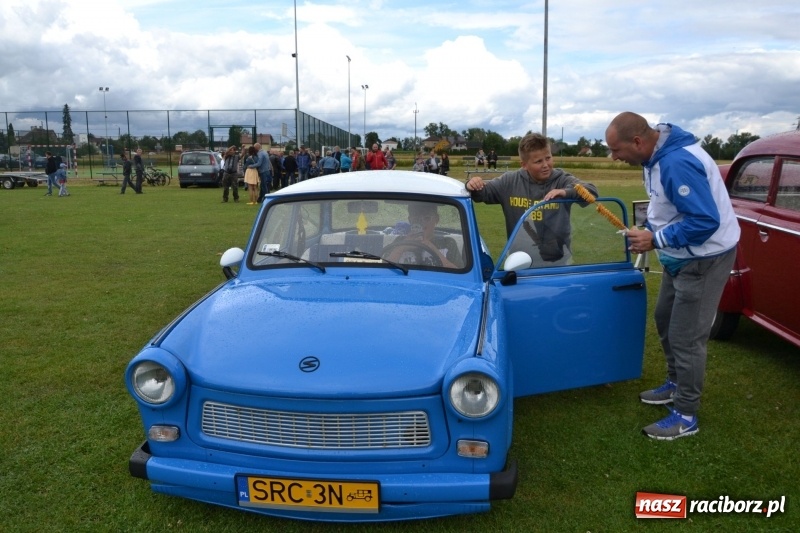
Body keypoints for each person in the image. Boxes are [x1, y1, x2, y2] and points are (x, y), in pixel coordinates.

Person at [605, 112, 740, 441]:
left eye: (616, 150)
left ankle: (686, 414)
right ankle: (675, 383)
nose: (613, 157)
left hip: (704, 258)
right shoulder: (652, 159)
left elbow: (705, 220)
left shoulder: (676, 162)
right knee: (665, 319)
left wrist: (656, 239)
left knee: (686, 338)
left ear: (638, 141)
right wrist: (649, 229)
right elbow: (664, 207)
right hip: (680, 256)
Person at [465, 132, 598, 265]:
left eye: (548, 158)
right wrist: (473, 184)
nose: (545, 164)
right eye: (538, 161)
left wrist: (565, 192)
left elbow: (591, 191)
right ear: (524, 165)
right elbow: (483, 193)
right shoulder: (509, 181)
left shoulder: (561, 180)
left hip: (558, 262)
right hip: (518, 262)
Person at [383, 202, 461, 268]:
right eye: (416, 219)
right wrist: (402, 247)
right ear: (410, 220)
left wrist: (431, 247)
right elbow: (384, 269)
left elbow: (459, 274)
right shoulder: (399, 241)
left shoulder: (447, 243)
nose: (421, 223)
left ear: (436, 219)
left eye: (427, 218)